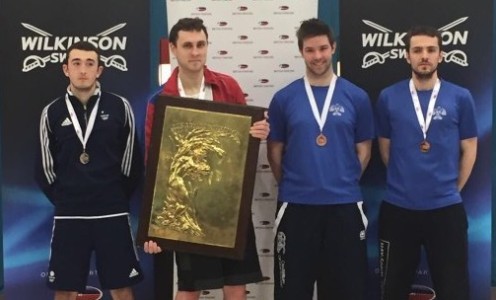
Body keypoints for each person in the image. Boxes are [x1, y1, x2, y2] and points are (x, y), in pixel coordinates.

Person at [143, 17, 269, 300]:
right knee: (189, 288)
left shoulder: (228, 87)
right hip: (188, 207)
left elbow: (243, 142)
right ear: (174, 49)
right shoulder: (160, 100)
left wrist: (258, 131)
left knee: (236, 284)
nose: (195, 51)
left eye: (201, 44)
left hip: (229, 204)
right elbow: (154, 165)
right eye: (188, 45)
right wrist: (155, 225)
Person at [267, 18, 374, 300]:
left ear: (333, 48)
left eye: (323, 49)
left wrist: (342, 180)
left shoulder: (357, 97)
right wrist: (297, 183)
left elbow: (364, 150)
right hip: (297, 206)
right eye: (311, 50)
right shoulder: (283, 98)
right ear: (302, 51)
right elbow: (275, 152)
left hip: (344, 206)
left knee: (346, 290)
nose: (318, 56)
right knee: (292, 290)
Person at [35, 41, 144, 300]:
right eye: (76, 63)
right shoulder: (51, 112)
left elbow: (132, 163)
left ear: (100, 70)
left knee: (121, 288)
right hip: (70, 214)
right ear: (66, 69)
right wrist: (67, 198)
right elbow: (44, 169)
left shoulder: (120, 107)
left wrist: (114, 195)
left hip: (112, 212)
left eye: (89, 63)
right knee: (65, 289)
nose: (83, 70)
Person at [375, 25, 477, 300]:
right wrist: (405, 181)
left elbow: (469, 148)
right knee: (393, 289)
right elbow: (386, 149)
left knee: (454, 289)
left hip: (446, 210)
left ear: (441, 55)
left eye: (431, 50)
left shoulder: (460, 97)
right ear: (407, 56)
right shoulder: (388, 97)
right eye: (417, 50)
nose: (424, 56)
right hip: (399, 209)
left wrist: (452, 188)